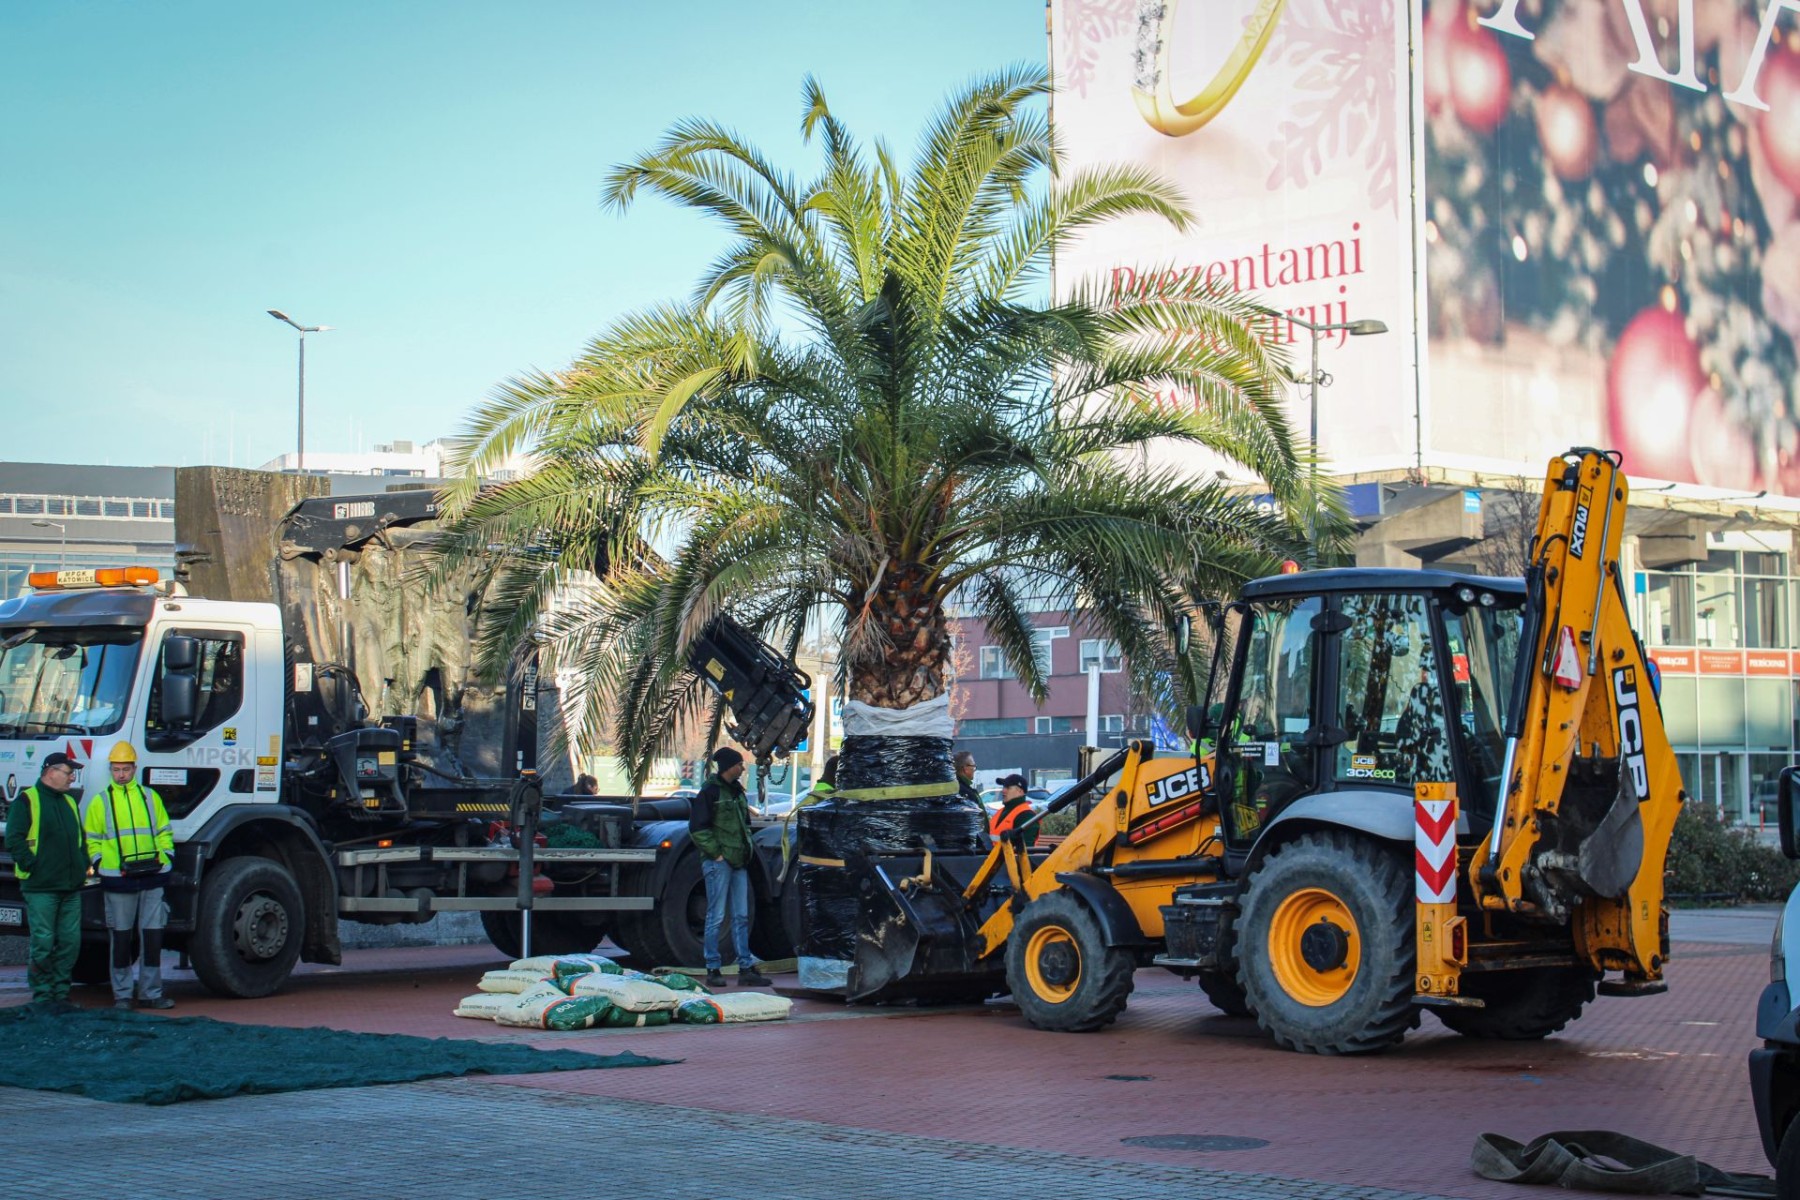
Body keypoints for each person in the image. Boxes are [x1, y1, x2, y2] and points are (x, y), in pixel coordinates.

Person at [83, 742, 176, 1010]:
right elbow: (93, 839)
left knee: (152, 939)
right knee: (121, 941)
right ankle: (123, 995)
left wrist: (166, 856)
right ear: (110, 770)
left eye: (125, 769)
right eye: (116, 769)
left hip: (153, 876)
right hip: (118, 879)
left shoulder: (149, 797)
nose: (121, 774)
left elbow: (164, 831)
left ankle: (150, 993)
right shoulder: (101, 801)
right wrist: (100, 861)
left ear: (135, 768)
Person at [3, 751, 91, 1010]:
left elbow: (79, 839)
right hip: (41, 887)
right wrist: (33, 866)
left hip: (70, 886)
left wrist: (83, 863)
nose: (72, 777)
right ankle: (43, 996)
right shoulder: (27, 801)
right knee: (43, 942)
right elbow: (14, 839)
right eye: (68, 772)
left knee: (69, 942)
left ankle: (60, 993)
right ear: (50, 772)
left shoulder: (69, 802)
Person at [689, 747, 771, 990]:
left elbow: (743, 826)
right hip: (721, 862)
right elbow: (697, 828)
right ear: (728, 766)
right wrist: (717, 854)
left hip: (738, 861)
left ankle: (745, 967)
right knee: (716, 916)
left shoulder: (736, 792)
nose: (742, 768)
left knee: (741, 916)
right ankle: (713, 967)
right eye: (739, 764)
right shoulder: (710, 792)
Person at [988, 773, 1039, 846]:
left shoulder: (1027, 815)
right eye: (1003, 787)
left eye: (1008, 787)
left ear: (1020, 792)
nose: (1003, 790)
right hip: (992, 857)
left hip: (1007, 857)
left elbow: (1024, 851)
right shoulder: (1001, 811)